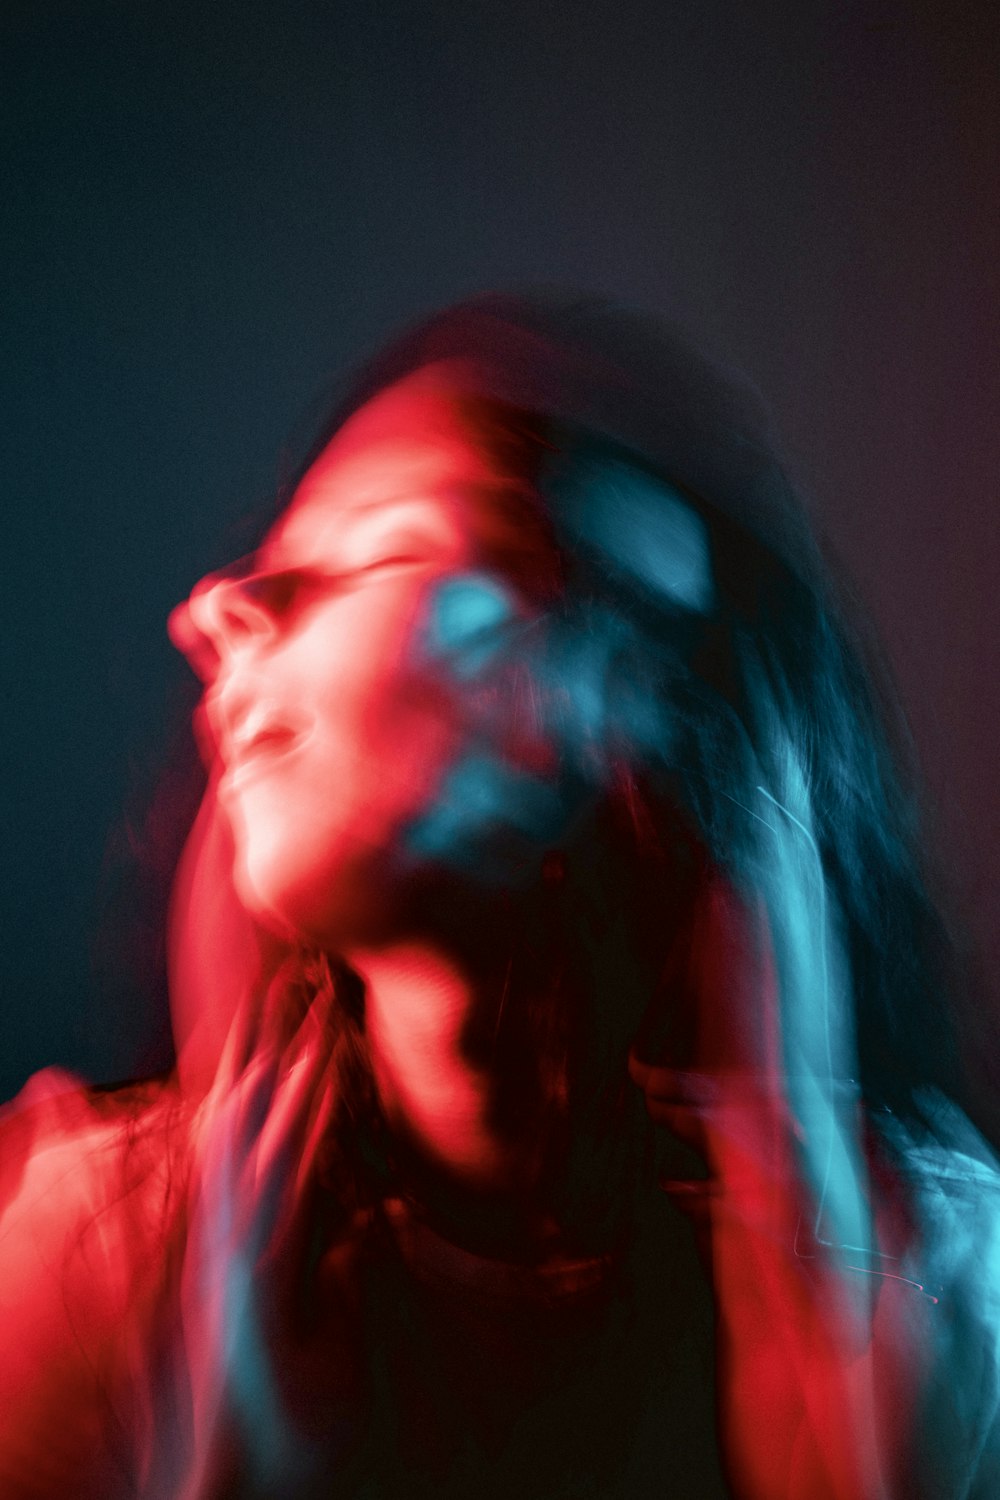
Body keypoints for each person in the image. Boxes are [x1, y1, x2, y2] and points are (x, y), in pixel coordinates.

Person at [1, 292, 998, 1499]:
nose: (212, 608)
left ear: (618, 713)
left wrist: (842, 1394)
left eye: (380, 550)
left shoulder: (952, 1293)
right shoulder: (80, 1261)